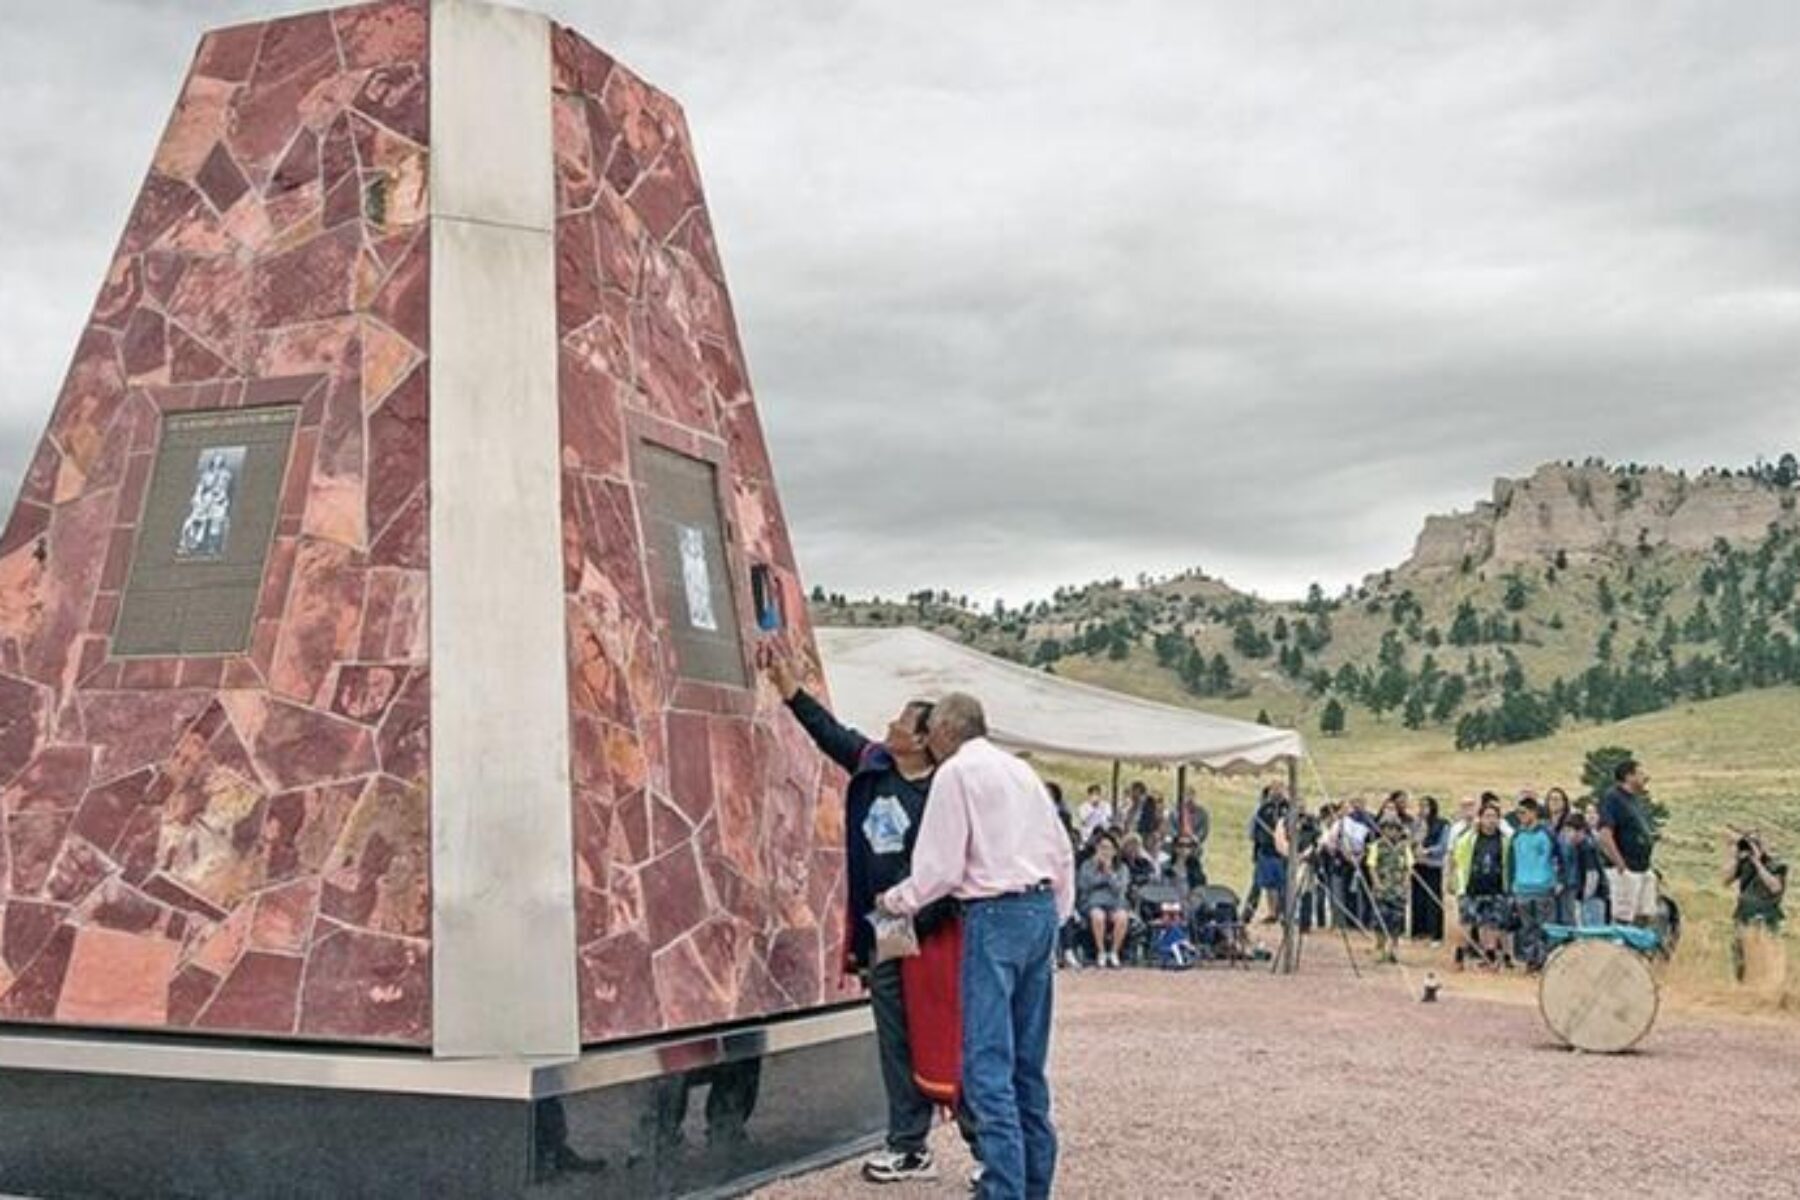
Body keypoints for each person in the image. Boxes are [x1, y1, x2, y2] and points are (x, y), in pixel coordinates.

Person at [762, 649, 960, 1183]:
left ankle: (986, 1143)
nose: (890, 724)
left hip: (932, 929)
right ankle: (909, 1145)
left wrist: (915, 923)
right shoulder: (874, 767)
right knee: (894, 1038)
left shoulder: (946, 794)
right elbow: (831, 733)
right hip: (886, 930)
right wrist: (789, 688)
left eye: (901, 720)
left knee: (946, 1032)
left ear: (923, 739)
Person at [878, 693, 1075, 1200]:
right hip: (1038, 909)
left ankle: (1002, 1189)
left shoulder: (956, 774)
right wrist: (1055, 916)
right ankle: (1035, 1186)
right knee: (1028, 1062)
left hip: (992, 914)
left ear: (945, 730)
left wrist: (897, 900)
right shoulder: (1021, 773)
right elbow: (1061, 850)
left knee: (987, 1062)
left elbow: (940, 868)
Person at [1596, 759, 1658, 926]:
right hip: (1626, 869)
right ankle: (1620, 950)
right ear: (1628, 776)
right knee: (1624, 918)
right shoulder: (1613, 797)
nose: (1646, 777)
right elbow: (1604, 834)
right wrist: (1620, 864)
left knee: (1645, 915)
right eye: (1641, 773)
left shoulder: (1634, 799)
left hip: (1642, 868)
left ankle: (1639, 951)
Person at [1452, 801, 1512, 970]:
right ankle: (1459, 955)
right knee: (1467, 922)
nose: (1490, 820)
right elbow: (1457, 856)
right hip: (1471, 887)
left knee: (1491, 923)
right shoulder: (1470, 838)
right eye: (1487, 816)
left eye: (1494, 817)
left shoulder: (1504, 840)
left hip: (1496, 887)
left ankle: (1490, 956)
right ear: (1480, 818)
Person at [1725, 830, 1786, 982]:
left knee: (1767, 949)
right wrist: (1734, 856)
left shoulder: (1777, 865)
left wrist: (1758, 862)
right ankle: (1741, 983)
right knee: (1739, 950)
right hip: (1743, 913)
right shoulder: (1744, 863)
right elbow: (1725, 880)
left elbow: (1775, 887)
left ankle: (1769, 982)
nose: (1751, 848)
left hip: (1767, 914)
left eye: (1755, 843)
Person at [1508, 798, 1560, 970]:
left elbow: (1558, 858)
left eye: (1523, 813)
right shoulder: (1517, 835)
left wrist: (1558, 880)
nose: (1520, 817)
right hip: (1522, 887)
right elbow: (1511, 862)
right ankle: (1531, 960)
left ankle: (1544, 960)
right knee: (1527, 928)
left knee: (1544, 927)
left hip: (1543, 887)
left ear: (1533, 812)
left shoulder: (1547, 834)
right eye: (1518, 814)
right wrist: (1511, 884)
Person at [1076, 833, 1131, 969]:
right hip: (1093, 904)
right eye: (1102, 848)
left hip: (1115, 904)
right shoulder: (1087, 866)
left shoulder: (1122, 868)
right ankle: (1101, 952)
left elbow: (1120, 888)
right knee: (1098, 916)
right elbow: (1084, 885)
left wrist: (1109, 873)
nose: (1105, 851)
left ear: (1114, 851)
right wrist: (1099, 873)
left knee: (1122, 918)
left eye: (1108, 848)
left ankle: (1113, 953)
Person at [1367, 816, 1411, 962]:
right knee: (1380, 919)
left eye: (1395, 829)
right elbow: (1372, 866)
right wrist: (1377, 883)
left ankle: (1393, 948)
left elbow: (1408, 867)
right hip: (1382, 888)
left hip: (1398, 889)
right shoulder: (1376, 846)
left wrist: (1405, 882)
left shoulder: (1404, 847)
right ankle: (1380, 947)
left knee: (1397, 920)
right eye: (1388, 828)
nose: (1391, 832)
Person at [1247, 786, 1289, 923]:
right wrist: (1264, 841)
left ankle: (1284, 913)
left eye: (1279, 789)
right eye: (1274, 790)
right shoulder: (1263, 809)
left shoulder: (1288, 808)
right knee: (1268, 884)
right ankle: (1270, 912)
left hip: (1284, 853)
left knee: (1284, 884)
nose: (1276, 793)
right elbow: (1254, 832)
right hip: (1267, 852)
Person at [1410, 796, 1449, 942]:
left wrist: (1427, 851)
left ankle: (1435, 934)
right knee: (1418, 899)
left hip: (1433, 865)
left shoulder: (1442, 824)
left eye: (1426, 806)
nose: (1423, 809)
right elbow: (1410, 840)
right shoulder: (1416, 823)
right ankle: (1419, 931)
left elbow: (1443, 846)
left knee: (1433, 899)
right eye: (1421, 806)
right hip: (1418, 865)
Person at [1559, 814, 1607, 927]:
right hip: (1586, 896)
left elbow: (1592, 875)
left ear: (1581, 831)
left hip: (1593, 898)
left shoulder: (1586, 848)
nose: (1567, 835)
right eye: (1565, 831)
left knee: (1592, 931)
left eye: (1569, 831)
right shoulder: (1579, 847)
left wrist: (1584, 897)